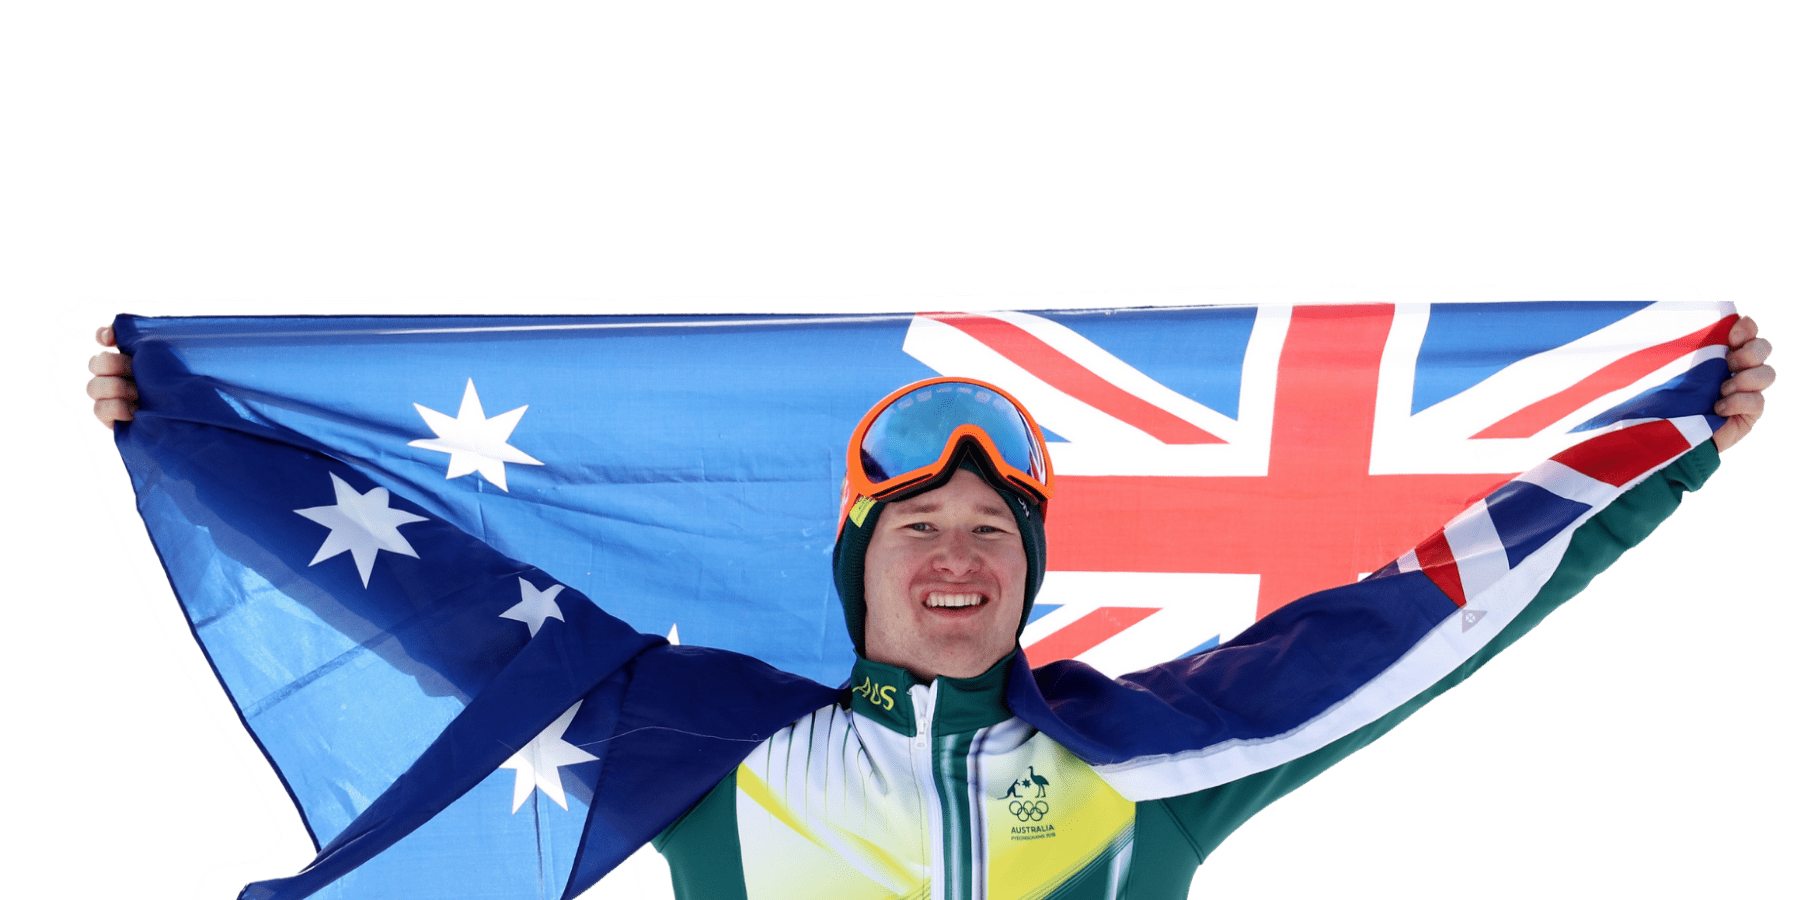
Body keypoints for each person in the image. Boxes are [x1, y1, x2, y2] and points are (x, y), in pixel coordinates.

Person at [86, 318, 1776, 900]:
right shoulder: (696, 743)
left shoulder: (1163, 754)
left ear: (1032, 582)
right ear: (861, 574)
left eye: (993, 530)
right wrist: (186, 423)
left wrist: (1673, 444)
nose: (958, 552)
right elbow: (443, 610)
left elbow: (1423, 619)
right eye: (921, 529)